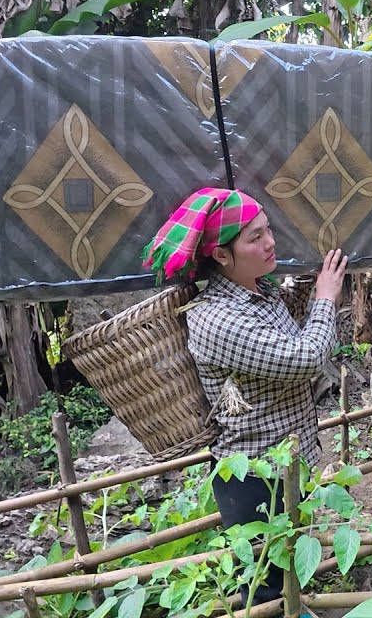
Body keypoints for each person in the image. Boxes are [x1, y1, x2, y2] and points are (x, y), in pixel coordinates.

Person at [142, 187, 347, 605]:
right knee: (263, 586)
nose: (270, 242)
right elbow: (306, 359)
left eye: (268, 229)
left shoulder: (261, 290)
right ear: (221, 255)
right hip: (255, 475)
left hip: (292, 461)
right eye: (254, 238)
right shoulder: (216, 318)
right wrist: (326, 297)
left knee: (287, 563)